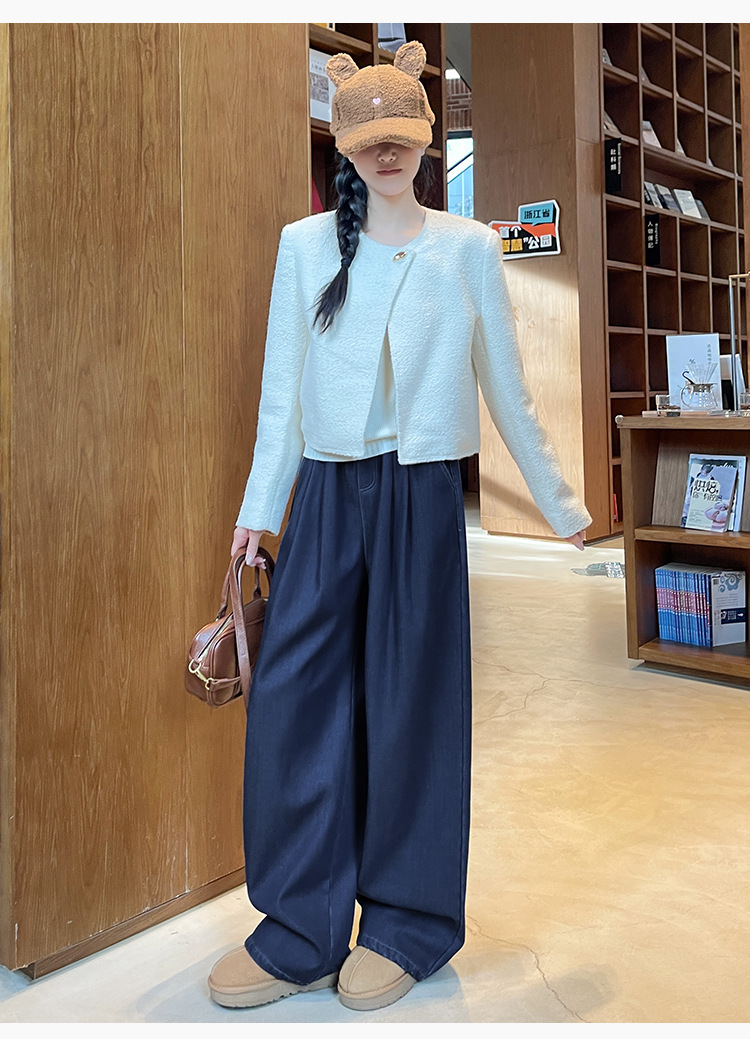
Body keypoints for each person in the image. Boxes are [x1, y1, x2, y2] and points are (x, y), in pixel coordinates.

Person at [208, 40, 592, 1013]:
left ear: (425, 138)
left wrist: (561, 507)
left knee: (414, 708)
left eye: (402, 135)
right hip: (326, 496)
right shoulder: (304, 246)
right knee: (294, 701)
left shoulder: (467, 248)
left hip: (421, 502)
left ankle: (408, 924)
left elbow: (507, 387)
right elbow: (282, 396)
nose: (386, 152)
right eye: (369, 137)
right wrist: (258, 511)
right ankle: (298, 927)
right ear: (345, 145)